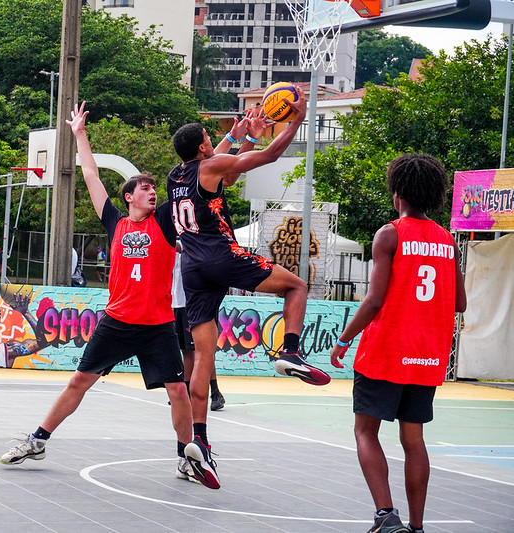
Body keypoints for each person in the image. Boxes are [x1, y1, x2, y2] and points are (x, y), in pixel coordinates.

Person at [0, 102, 203, 487]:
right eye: (144, 188)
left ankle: (185, 459)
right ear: (128, 197)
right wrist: (79, 133)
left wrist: (232, 141)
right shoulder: (115, 222)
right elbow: (90, 174)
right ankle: (37, 440)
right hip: (118, 321)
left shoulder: (164, 222)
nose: (151, 192)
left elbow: (194, 183)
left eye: (153, 189)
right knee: (79, 382)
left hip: (157, 325)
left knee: (178, 390)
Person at [167, 92, 331, 488]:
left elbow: (225, 162)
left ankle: (199, 442)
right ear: (203, 146)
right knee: (296, 286)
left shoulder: (175, 176)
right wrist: (296, 121)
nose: (214, 139)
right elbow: (265, 159)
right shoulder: (211, 165)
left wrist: (243, 136)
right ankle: (290, 351)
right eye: (210, 137)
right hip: (219, 256)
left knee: (204, 357)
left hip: (191, 268)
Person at [330, 153, 467, 533]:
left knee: (365, 432)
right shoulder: (446, 240)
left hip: (387, 351)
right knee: (414, 440)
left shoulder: (390, 233)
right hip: (427, 357)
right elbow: (460, 303)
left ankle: (386, 515)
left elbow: (374, 300)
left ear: (398, 193)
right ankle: (418, 527)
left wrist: (344, 339)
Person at [172, 247, 225, 411]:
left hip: (196, 304)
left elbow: (179, 245)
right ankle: (187, 391)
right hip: (177, 303)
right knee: (187, 352)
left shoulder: (195, 244)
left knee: (202, 351)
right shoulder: (174, 251)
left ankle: (214, 391)